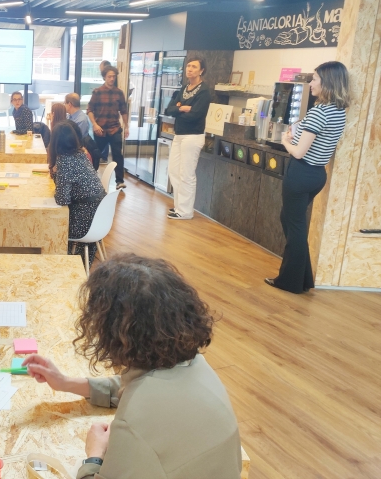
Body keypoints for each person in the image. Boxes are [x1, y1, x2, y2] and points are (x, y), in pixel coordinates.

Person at [23, 254, 242, 479]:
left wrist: (95, 455)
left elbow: (140, 404)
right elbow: (135, 387)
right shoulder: (195, 365)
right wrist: (67, 383)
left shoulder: (134, 424)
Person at [267, 61, 349, 294]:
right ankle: (302, 278)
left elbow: (299, 151)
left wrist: (285, 141)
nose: (310, 84)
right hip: (316, 175)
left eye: (314, 80)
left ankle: (290, 281)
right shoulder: (338, 111)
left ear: (327, 83)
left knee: (294, 226)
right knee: (292, 222)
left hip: (301, 172)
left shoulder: (319, 112)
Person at [49, 121, 105, 268]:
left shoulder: (64, 161)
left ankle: (59, 268)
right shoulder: (80, 154)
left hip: (85, 220)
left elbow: (62, 199)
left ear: (55, 142)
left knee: (52, 225)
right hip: (99, 213)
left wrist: (55, 173)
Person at [163, 56, 211, 220]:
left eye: (194, 67)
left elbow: (196, 115)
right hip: (179, 135)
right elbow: (168, 110)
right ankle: (178, 206)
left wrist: (179, 109)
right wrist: (183, 108)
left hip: (193, 136)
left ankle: (185, 211)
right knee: (174, 171)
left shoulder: (204, 91)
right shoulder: (184, 88)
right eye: (188, 66)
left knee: (187, 174)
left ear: (201, 70)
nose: (189, 69)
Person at [88, 66, 129, 189]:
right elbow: (89, 110)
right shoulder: (97, 92)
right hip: (100, 129)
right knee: (96, 154)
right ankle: (91, 179)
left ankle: (119, 181)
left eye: (113, 76)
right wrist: (94, 124)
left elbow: (123, 111)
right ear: (104, 77)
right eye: (109, 76)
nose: (112, 78)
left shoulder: (119, 93)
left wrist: (126, 126)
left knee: (117, 155)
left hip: (115, 128)